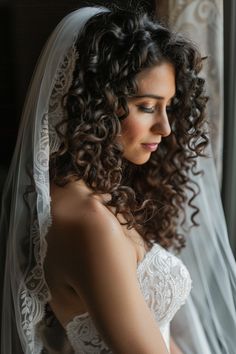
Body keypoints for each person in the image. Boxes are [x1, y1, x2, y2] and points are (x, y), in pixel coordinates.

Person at [1, 5, 236, 354]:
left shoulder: (89, 197)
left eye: (168, 106)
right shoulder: (91, 223)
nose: (166, 127)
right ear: (97, 104)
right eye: (146, 106)